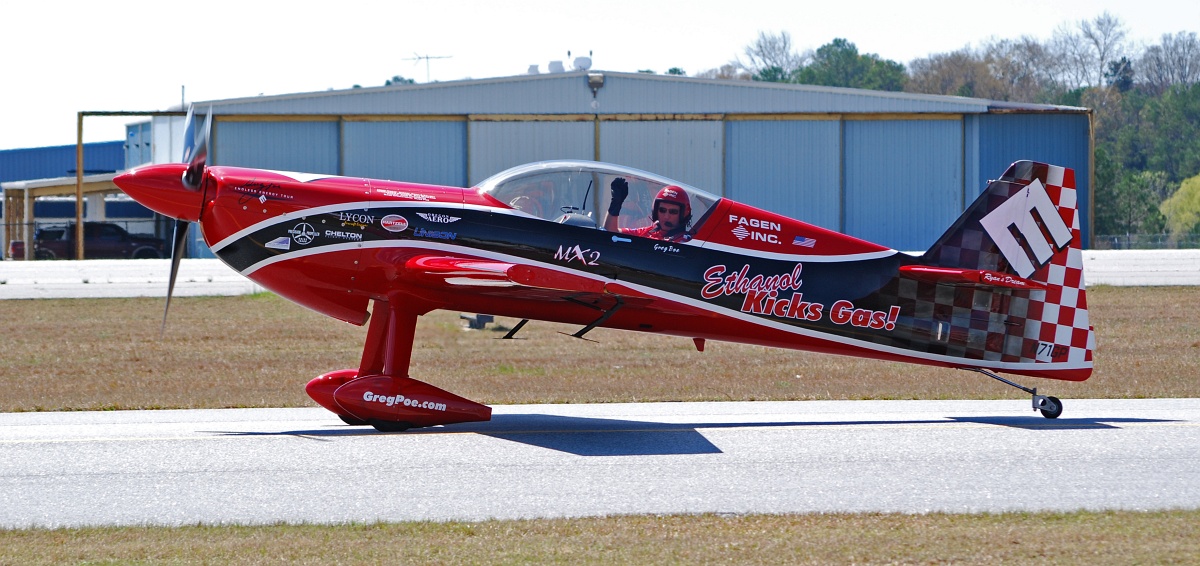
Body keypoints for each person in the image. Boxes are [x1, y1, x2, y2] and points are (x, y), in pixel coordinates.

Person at [603, 178, 693, 242]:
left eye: (673, 212)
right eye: (662, 210)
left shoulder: (685, 242)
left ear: (683, 214)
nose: (666, 216)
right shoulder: (648, 232)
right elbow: (611, 231)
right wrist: (615, 204)